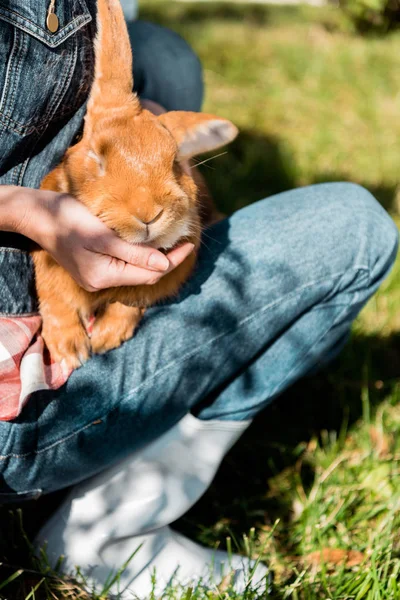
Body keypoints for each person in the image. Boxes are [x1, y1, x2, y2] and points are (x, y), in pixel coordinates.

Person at [0, 1, 398, 597]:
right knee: (355, 227)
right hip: (19, 397)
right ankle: (103, 535)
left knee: (162, 56)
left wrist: (147, 129)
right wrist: (27, 212)